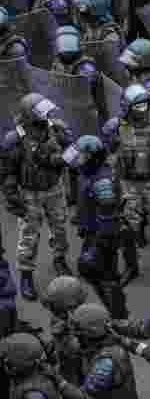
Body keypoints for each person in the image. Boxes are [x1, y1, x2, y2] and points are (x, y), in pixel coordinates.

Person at [0, 94, 73, 300]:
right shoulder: (15, 138)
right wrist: (12, 198)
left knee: (59, 227)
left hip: (54, 187)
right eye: (41, 113)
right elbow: (7, 172)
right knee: (29, 234)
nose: (47, 116)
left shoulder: (55, 129)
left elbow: (71, 149)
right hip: (29, 192)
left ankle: (59, 258)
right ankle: (26, 274)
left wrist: (68, 155)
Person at [101, 84, 150, 257]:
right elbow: (108, 156)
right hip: (128, 183)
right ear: (127, 107)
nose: (142, 109)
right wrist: (110, 183)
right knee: (129, 225)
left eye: (145, 104)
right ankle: (132, 266)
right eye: (137, 106)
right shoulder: (116, 126)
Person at [61, 136, 127, 318]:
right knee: (92, 272)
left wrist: (97, 247)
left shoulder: (102, 182)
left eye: (82, 156)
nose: (78, 160)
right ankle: (114, 312)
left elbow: (109, 219)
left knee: (107, 277)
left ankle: (119, 317)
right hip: (92, 232)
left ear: (93, 157)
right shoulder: (88, 173)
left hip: (102, 237)